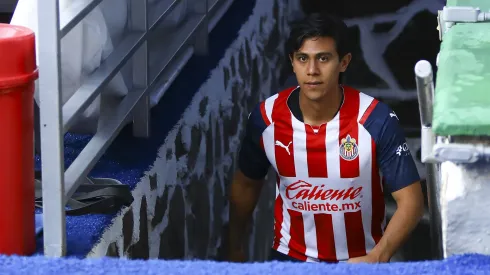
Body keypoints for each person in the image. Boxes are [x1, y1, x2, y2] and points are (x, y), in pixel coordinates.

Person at [227, 12, 424, 263]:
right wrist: (234, 247)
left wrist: (378, 256)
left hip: (359, 264)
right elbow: (246, 184)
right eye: (303, 59)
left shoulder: (376, 120)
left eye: (323, 58)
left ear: (344, 62)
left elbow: (411, 201)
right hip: (291, 261)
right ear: (292, 62)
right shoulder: (266, 118)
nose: (312, 70)